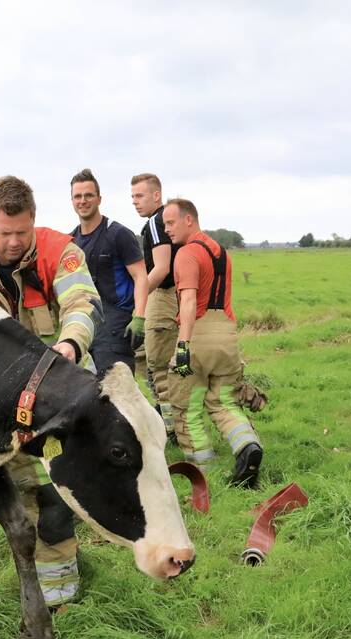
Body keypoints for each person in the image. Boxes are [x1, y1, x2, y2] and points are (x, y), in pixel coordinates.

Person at [0, 175, 102, 606]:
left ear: (34, 219)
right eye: (4, 233)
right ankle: (43, 578)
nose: (14, 242)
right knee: (22, 491)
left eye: (22, 232)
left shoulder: (61, 251)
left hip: (61, 395)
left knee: (56, 489)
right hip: (0, 403)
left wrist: (71, 343)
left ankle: (61, 589)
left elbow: (82, 303)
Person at [163, 197, 263, 486]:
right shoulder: (221, 252)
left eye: (171, 223)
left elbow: (190, 299)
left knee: (187, 406)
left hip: (198, 336)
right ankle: (247, 447)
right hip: (227, 335)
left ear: (189, 219)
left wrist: (183, 345)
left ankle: (204, 471)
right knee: (225, 403)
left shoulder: (185, 254)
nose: (167, 229)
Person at [69, 168, 148, 375]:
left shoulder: (118, 234)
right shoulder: (71, 242)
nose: (83, 201)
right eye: (78, 196)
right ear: (72, 201)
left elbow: (140, 276)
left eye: (88, 195)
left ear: (99, 199)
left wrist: (139, 317)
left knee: (117, 393)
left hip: (115, 326)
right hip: (83, 325)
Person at [131, 173, 179, 440]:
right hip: (175, 296)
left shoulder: (154, 222)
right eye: (133, 197)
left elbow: (161, 268)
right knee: (145, 355)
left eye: (140, 196)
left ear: (156, 195)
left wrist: (138, 298)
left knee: (158, 365)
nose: (135, 202)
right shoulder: (168, 220)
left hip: (163, 295)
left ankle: (171, 430)